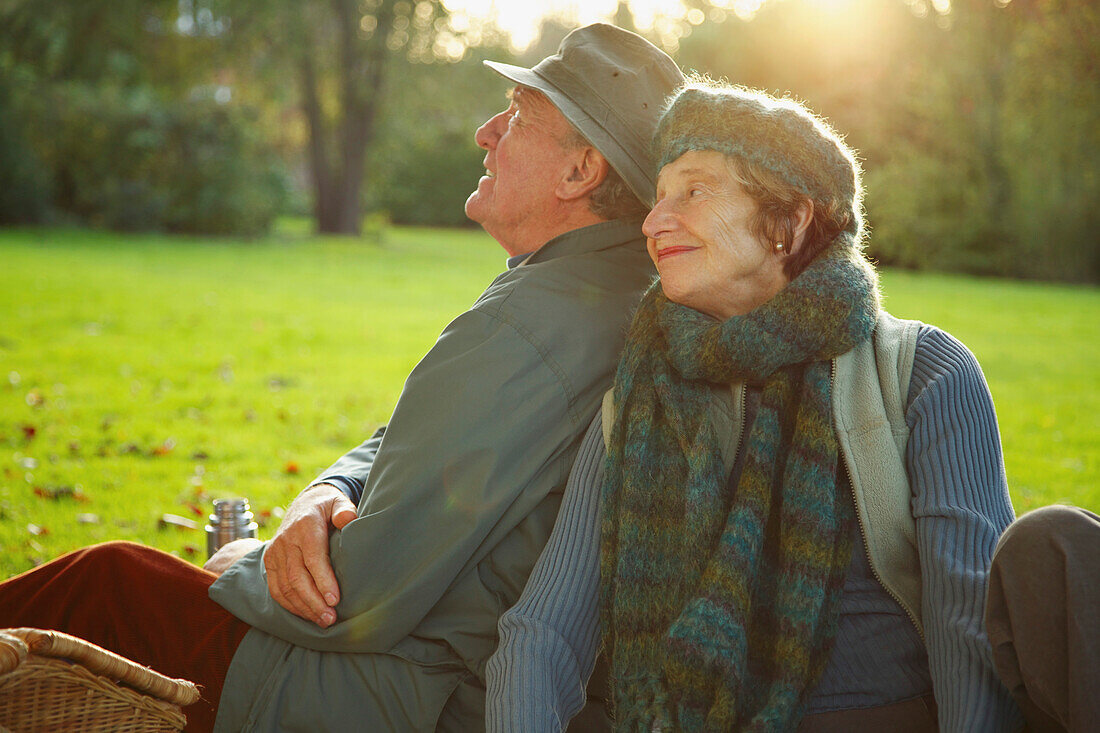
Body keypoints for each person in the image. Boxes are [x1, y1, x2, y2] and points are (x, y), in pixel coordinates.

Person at [0, 24, 683, 732]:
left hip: (406, 696)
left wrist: (246, 559)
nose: (486, 131)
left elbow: (355, 597)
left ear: (581, 172)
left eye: (518, 114)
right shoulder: (609, 294)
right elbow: (412, 438)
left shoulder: (534, 325)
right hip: (445, 677)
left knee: (107, 583)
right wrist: (327, 487)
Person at [486, 82, 1025, 732]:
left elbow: (968, 626)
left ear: (790, 221)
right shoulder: (640, 398)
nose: (655, 222)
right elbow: (542, 631)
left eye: (694, 190)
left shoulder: (922, 374)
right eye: (658, 199)